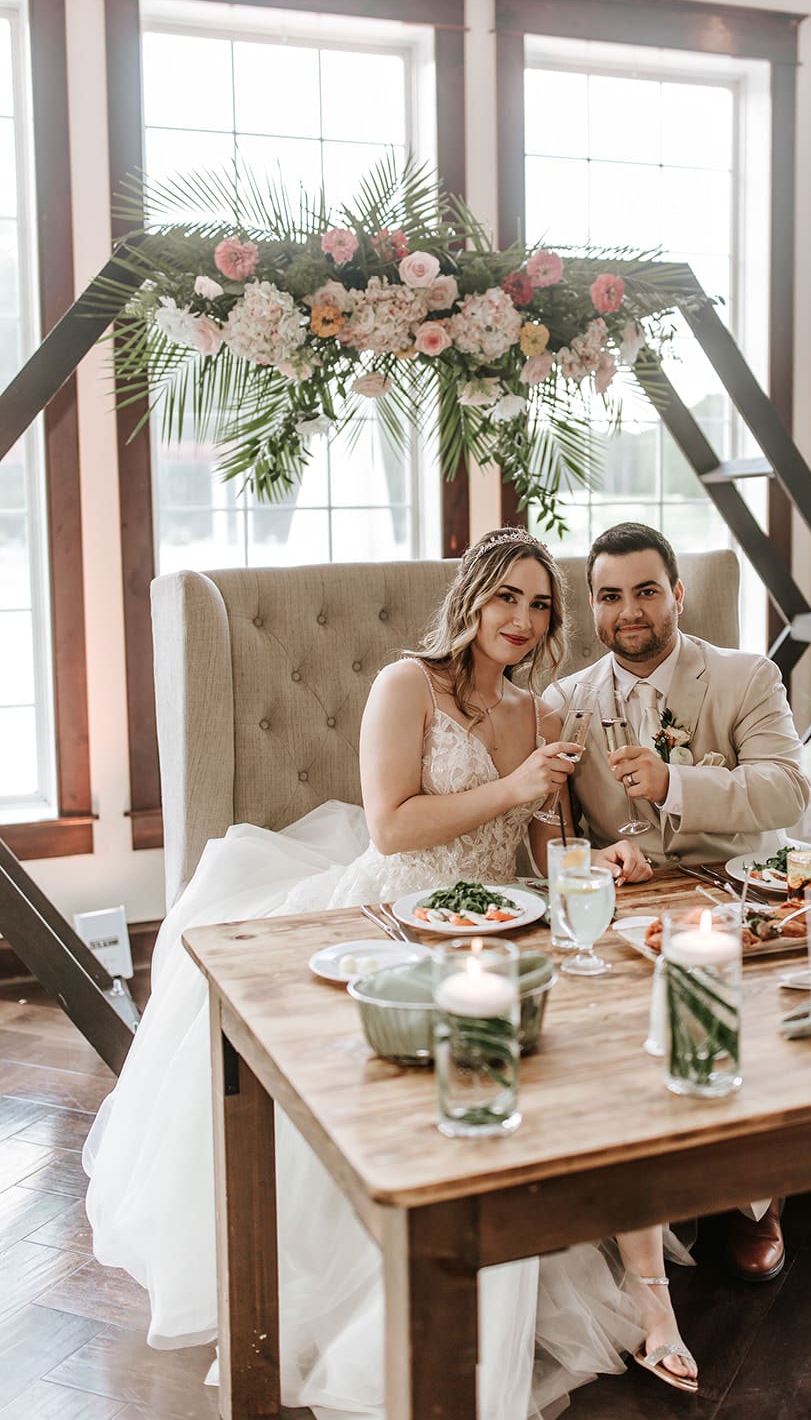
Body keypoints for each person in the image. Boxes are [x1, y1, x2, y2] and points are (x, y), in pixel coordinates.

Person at [82, 527, 697, 1417]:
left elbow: (543, 844)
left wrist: (588, 861)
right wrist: (516, 787)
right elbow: (391, 827)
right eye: (505, 597)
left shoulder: (542, 713)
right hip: (394, 913)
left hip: (500, 920)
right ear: (472, 598)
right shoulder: (406, 684)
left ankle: (644, 1282)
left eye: (539, 605)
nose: (520, 620)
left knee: (589, 1055)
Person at [545, 521, 811, 1283]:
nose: (628, 610)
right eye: (609, 595)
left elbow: (787, 788)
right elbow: (559, 831)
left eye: (645, 591)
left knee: (746, 1017)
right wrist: (601, 856)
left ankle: (758, 1203)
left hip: (737, 894)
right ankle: (649, 1192)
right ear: (591, 607)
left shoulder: (743, 676)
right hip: (627, 908)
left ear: (677, 595)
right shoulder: (563, 701)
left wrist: (675, 784)